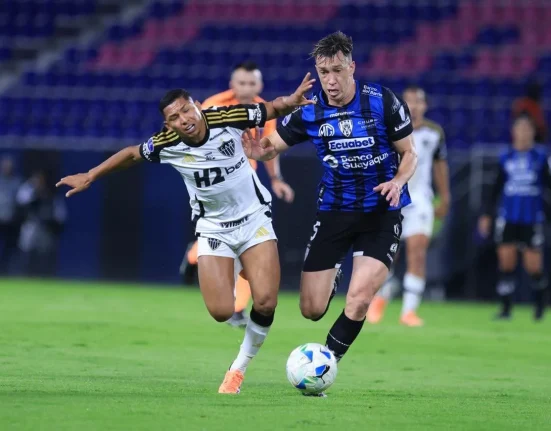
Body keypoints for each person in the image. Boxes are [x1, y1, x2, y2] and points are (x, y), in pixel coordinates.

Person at [56, 75, 315, 394]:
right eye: (174, 117)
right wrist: (91, 175)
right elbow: (132, 154)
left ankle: (238, 369)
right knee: (221, 312)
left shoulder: (227, 116)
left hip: (254, 220)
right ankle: (238, 263)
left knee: (265, 302)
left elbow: (271, 108)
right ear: (168, 125)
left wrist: (292, 100)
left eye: (186, 110)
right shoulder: (167, 142)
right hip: (214, 228)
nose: (183, 119)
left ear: (198, 106)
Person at [241, 31, 417, 392]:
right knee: (311, 309)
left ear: (352, 68)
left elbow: (409, 153)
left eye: (337, 70)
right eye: (324, 72)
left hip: (381, 211)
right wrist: (261, 151)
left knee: (359, 299)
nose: (331, 80)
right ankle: (332, 277)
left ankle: (322, 369)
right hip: (334, 210)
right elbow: (272, 145)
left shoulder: (382, 101)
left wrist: (398, 182)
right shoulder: (310, 109)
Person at [180, 61, 295, 329]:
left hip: (244, 187)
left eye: (251, 83)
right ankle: (194, 255)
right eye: (242, 83)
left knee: (248, 246)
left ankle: (238, 308)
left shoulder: (264, 111)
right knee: (222, 238)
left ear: (259, 85)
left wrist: (276, 179)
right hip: (215, 185)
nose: (246, 88)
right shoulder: (213, 105)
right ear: (232, 84)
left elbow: (269, 147)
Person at [367, 86, 450, 326]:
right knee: (388, 255)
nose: (414, 106)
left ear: (425, 106)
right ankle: (380, 297)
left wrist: (445, 197)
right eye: (409, 101)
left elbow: (440, 165)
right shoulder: (389, 128)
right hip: (392, 198)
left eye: (418, 101)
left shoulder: (434, 133)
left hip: (421, 199)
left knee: (417, 252)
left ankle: (409, 311)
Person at [478, 115, 549, 321]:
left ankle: (539, 307)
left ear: (533, 133)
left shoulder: (541, 157)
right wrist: (486, 215)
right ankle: (505, 309)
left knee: (533, 266)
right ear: (514, 132)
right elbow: (495, 189)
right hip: (508, 216)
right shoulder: (505, 157)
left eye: (527, 129)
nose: (524, 133)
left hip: (532, 217)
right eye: (520, 129)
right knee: (506, 264)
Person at [0, 156, 22, 274]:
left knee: (9, 249)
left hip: (10, 221)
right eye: (5, 166)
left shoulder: (16, 182)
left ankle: (5, 271)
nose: (7, 168)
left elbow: (20, 201)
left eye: (9, 166)